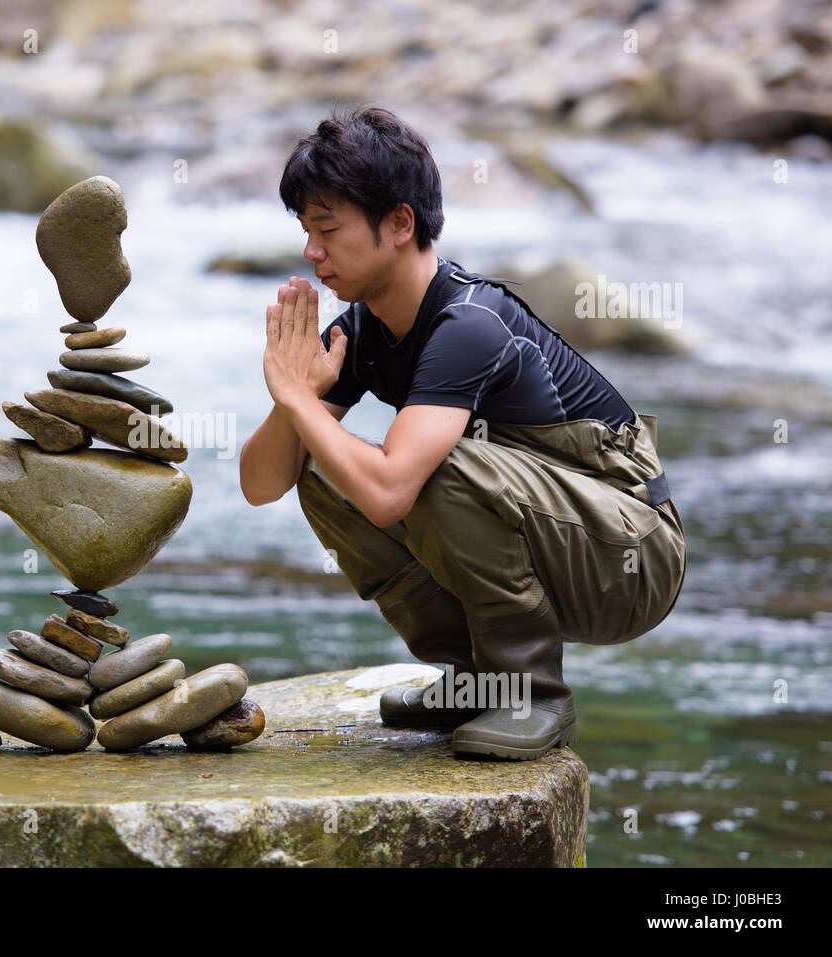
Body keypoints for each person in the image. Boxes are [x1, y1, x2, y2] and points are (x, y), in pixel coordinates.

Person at [238, 105, 687, 761]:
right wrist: (295, 402)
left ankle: (532, 693)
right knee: (324, 470)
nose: (312, 252)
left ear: (399, 222)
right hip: (561, 534)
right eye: (307, 230)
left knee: (435, 466)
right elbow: (262, 483)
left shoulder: (469, 324)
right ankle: (480, 678)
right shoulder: (361, 329)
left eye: (328, 229)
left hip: (634, 551)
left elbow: (393, 491)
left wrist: (295, 398)